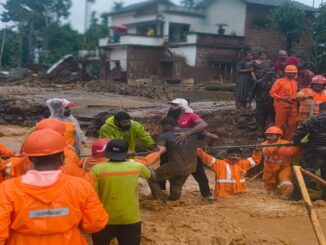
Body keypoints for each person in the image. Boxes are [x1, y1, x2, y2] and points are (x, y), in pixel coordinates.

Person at [0, 129, 108, 245]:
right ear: (62, 158)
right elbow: (95, 223)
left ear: (30, 158)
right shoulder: (80, 186)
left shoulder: (8, 189)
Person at [90, 139, 152, 245]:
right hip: (130, 219)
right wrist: (133, 159)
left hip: (103, 219)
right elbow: (150, 175)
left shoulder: (96, 169)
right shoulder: (137, 166)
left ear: (106, 152)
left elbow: (90, 193)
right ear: (126, 153)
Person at [165, 98, 212, 198]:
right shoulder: (167, 116)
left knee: (199, 172)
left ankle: (207, 195)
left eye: (175, 105)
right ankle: (161, 194)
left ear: (182, 107)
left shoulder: (190, 116)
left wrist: (187, 133)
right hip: (171, 149)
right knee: (163, 167)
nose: (171, 107)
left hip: (189, 149)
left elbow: (203, 124)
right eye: (171, 105)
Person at [148, 117, 199, 201]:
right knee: (176, 184)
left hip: (175, 165)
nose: (162, 129)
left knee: (151, 178)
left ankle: (159, 200)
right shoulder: (191, 131)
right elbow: (208, 135)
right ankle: (174, 201)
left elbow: (160, 150)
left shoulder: (165, 136)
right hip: (191, 166)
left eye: (162, 127)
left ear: (168, 125)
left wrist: (150, 154)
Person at [293, 102, 326, 200]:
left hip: (313, 150)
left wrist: (296, 142)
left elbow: (299, 133)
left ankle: (296, 197)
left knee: (304, 173)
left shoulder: (312, 120)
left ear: (320, 109)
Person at [197, 147, 261, 198]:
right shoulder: (219, 164)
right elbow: (205, 158)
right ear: (227, 155)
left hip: (240, 196)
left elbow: (255, 160)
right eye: (232, 155)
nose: (235, 158)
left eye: (237, 156)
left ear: (240, 157)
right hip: (223, 198)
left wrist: (257, 151)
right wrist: (200, 150)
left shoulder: (243, 164)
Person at [260, 126, 294, 199]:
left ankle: (287, 194)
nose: (269, 137)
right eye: (267, 135)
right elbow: (268, 151)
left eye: (271, 135)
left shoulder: (285, 143)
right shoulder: (263, 145)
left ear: (278, 136)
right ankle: (270, 194)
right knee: (269, 182)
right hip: (269, 167)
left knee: (285, 179)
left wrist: (290, 145)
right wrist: (277, 147)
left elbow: (292, 148)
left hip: (283, 166)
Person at [270, 65, 298, 140]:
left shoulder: (295, 82)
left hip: (293, 106)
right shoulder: (279, 81)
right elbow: (272, 93)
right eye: (290, 73)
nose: (292, 75)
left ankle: (287, 141)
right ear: (286, 73)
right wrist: (283, 99)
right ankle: (278, 141)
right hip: (281, 106)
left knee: (293, 124)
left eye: (294, 73)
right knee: (280, 124)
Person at [248, 69, 276, 135]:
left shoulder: (275, 82)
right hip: (261, 103)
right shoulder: (259, 82)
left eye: (271, 74)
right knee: (260, 119)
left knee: (272, 119)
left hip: (272, 104)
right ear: (265, 74)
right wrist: (249, 102)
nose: (270, 75)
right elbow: (252, 92)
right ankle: (260, 134)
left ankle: (271, 133)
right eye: (268, 74)